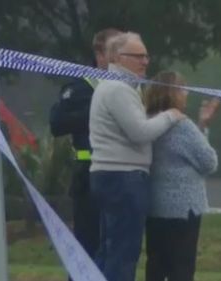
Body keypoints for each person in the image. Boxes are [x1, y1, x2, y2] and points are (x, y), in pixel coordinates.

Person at [89, 32, 185, 281]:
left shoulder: (113, 86)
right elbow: (140, 132)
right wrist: (171, 115)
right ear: (118, 58)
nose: (145, 62)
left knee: (110, 250)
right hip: (123, 178)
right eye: (138, 56)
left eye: (146, 56)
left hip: (111, 176)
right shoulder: (118, 89)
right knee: (124, 252)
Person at [49, 28, 122, 267]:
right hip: (89, 174)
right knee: (88, 245)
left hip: (122, 175)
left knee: (116, 247)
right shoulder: (81, 86)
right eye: (116, 51)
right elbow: (57, 124)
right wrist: (100, 110)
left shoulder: (128, 85)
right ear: (100, 54)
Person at [143, 71, 218, 281]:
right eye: (183, 89)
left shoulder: (147, 121)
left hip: (155, 205)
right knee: (182, 267)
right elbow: (209, 161)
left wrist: (202, 125)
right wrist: (202, 128)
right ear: (172, 93)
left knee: (156, 265)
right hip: (184, 208)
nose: (186, 94)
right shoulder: (182, 126)